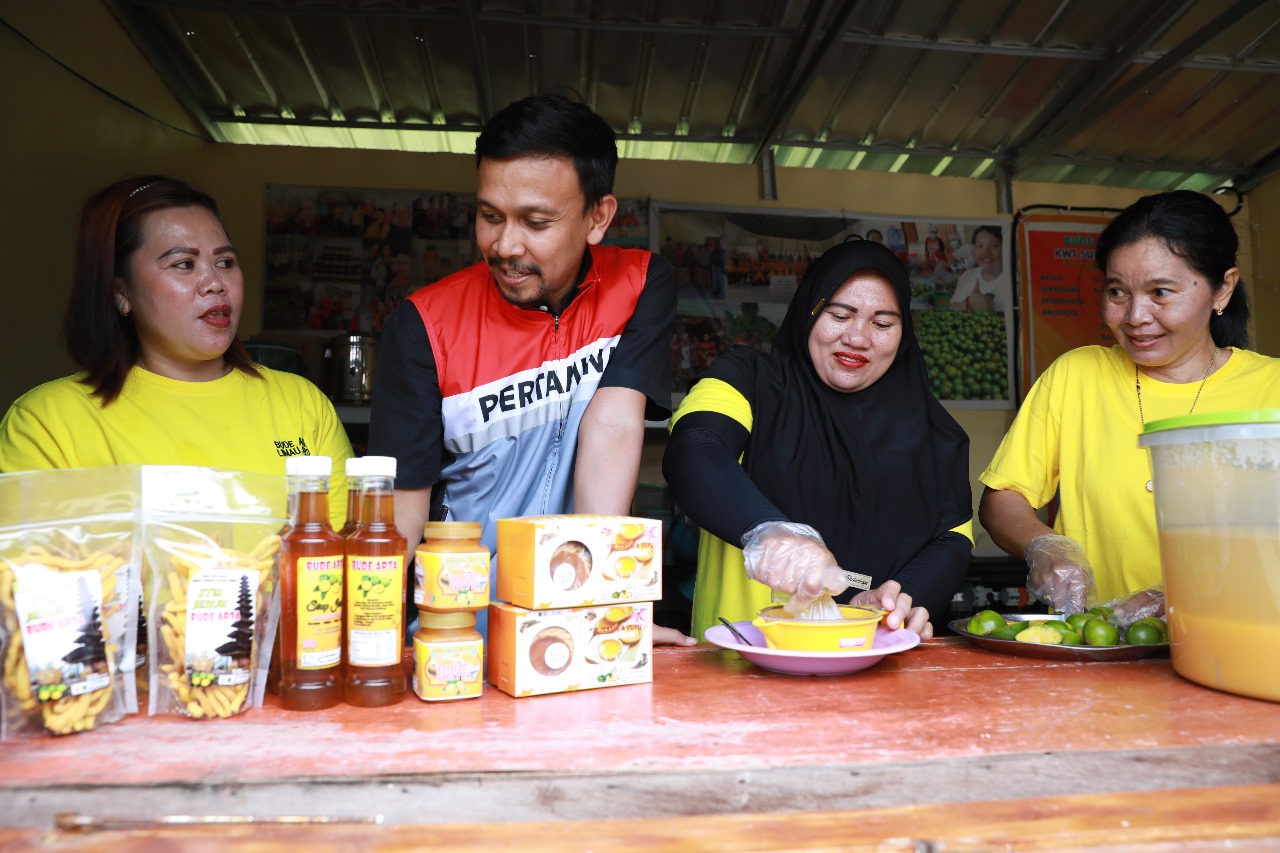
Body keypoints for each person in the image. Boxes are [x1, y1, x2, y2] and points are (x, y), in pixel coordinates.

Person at [368, 94, 693, 645]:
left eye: (536, 222)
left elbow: (613, 423)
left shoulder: (640, 285)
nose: (504, 245)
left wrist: (607, 609)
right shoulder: (424, 325)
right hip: (458, 634)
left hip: (573, 621)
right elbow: (404, 514)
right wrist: (377, 641)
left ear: (598, 217)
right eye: (489, 216)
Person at [978, 190, 1280, 621]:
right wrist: (1043, 545)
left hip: (1238, 638)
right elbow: (1004, 495)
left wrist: (1183, 595)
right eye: (1118, 292)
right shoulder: (1077, 375)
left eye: (1161, 292)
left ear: (1223, 289)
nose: (1136, 316)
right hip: (1097, 643)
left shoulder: (1271, 390)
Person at [663, 239, 974, 641]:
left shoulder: (934, 430)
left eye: (882, 324)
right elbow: (696, 448)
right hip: (744, 657)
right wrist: (769, 532)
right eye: (840, 315)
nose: (858, 338)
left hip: (874, 655)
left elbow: (952, 538)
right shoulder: (747, 379)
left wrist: (901, 596)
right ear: (809, 310)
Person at [0, 175, 353, 528]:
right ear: (121, 291)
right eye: (184, 264)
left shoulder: (303, 406)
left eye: (225, 262)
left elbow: (342, 552)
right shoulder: (48, 423)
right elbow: (31, 558)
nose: (215, 283)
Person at [950, 225, 1008, 312]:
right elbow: (952, 307)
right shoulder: (967, 275)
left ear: (1005, 249)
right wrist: (968, 305)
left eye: (994, 246)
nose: (985, 253)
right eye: (980, 246)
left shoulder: (1018, 283)